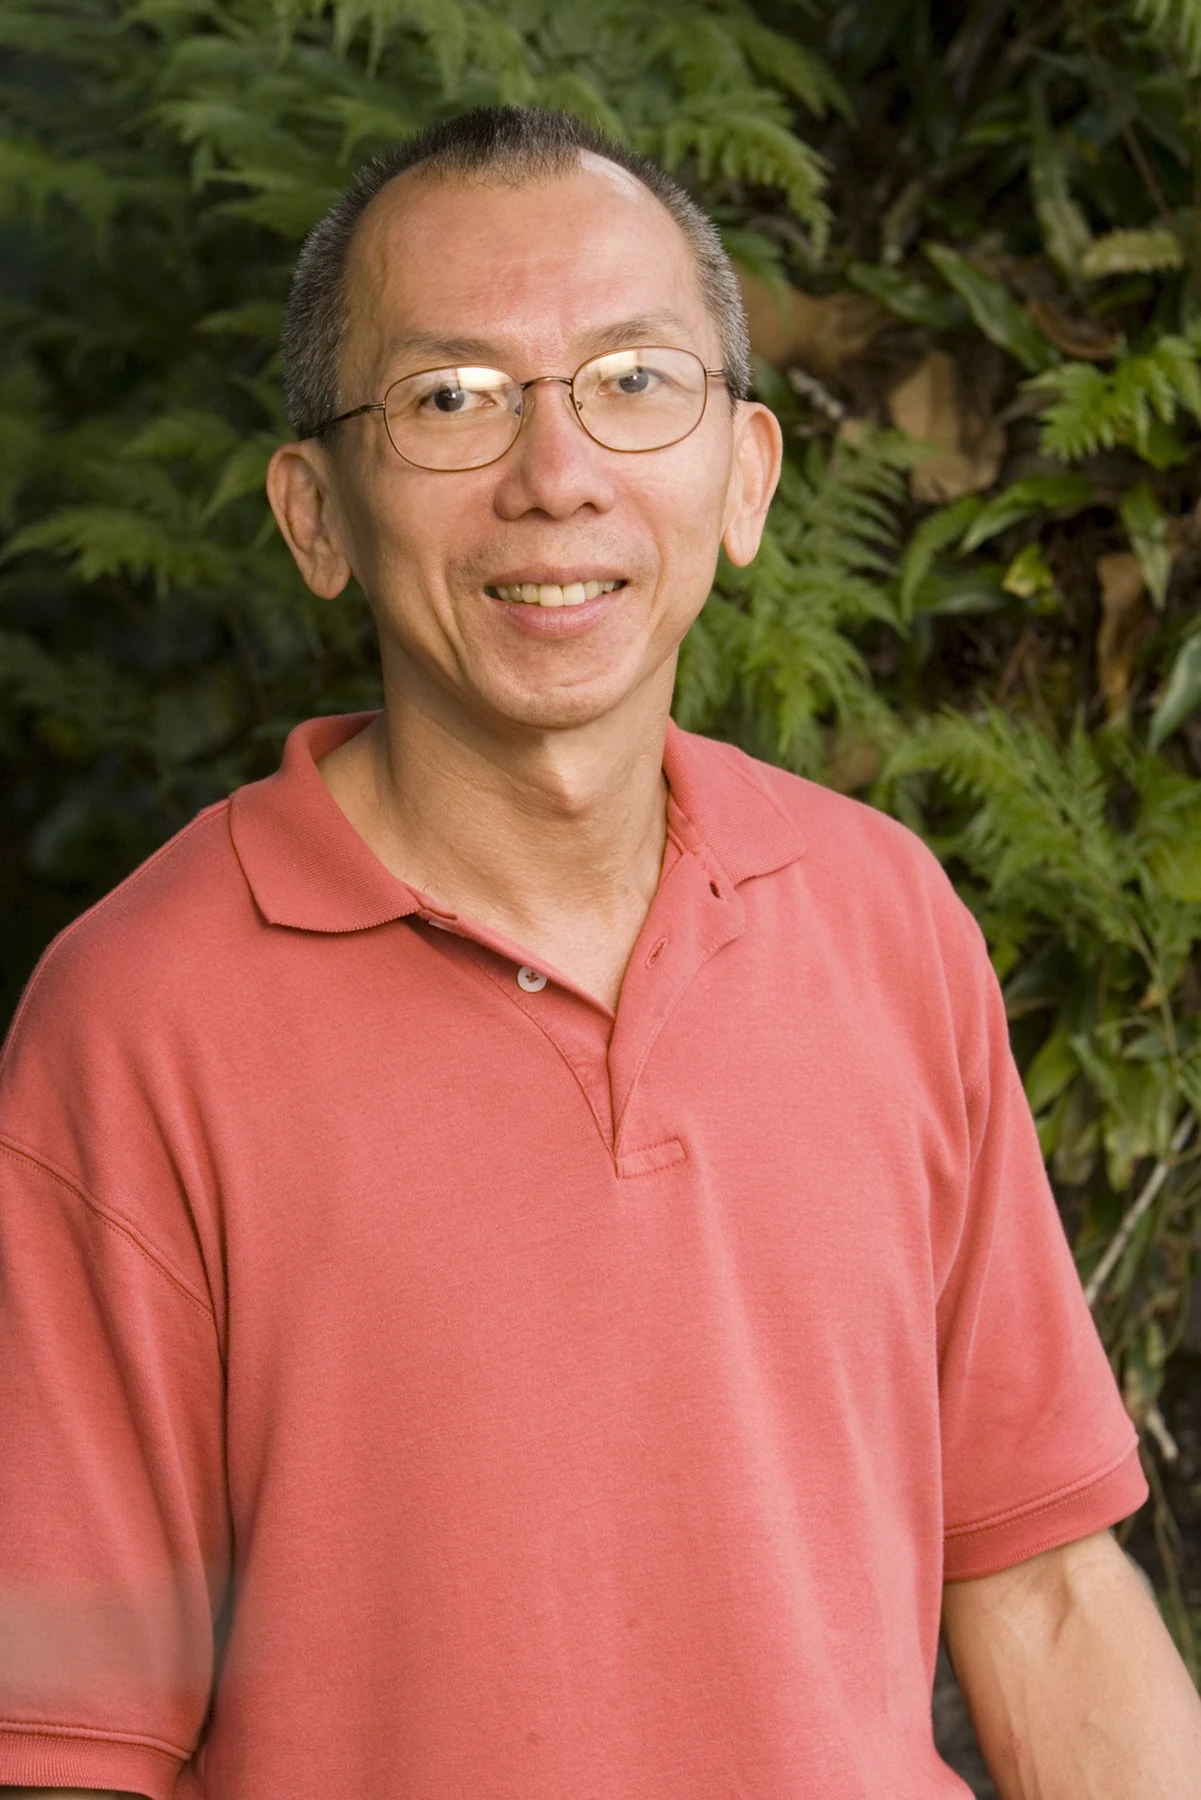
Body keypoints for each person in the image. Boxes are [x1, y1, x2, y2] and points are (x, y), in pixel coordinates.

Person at [1, 104, 1199, 1800]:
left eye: (636, 381)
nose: (555, 474)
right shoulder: (136, 1025)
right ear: (315, 514)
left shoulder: (884, 921)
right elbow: (72, 1754)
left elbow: (1050, 1595)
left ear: (745, 478)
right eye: (451, 398)